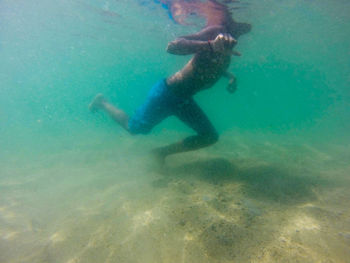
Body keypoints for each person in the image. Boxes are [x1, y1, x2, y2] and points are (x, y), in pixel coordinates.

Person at [89, 26, 240, 164]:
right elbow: (172, 46)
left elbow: (212, 67)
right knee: (133, 128)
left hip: (184, 100)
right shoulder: (213, 38)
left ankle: (161, 153)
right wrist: (211, 45)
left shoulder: (228, 49)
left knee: (210, 136)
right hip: (166, 94)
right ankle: (102, 103)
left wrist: (231, 77)